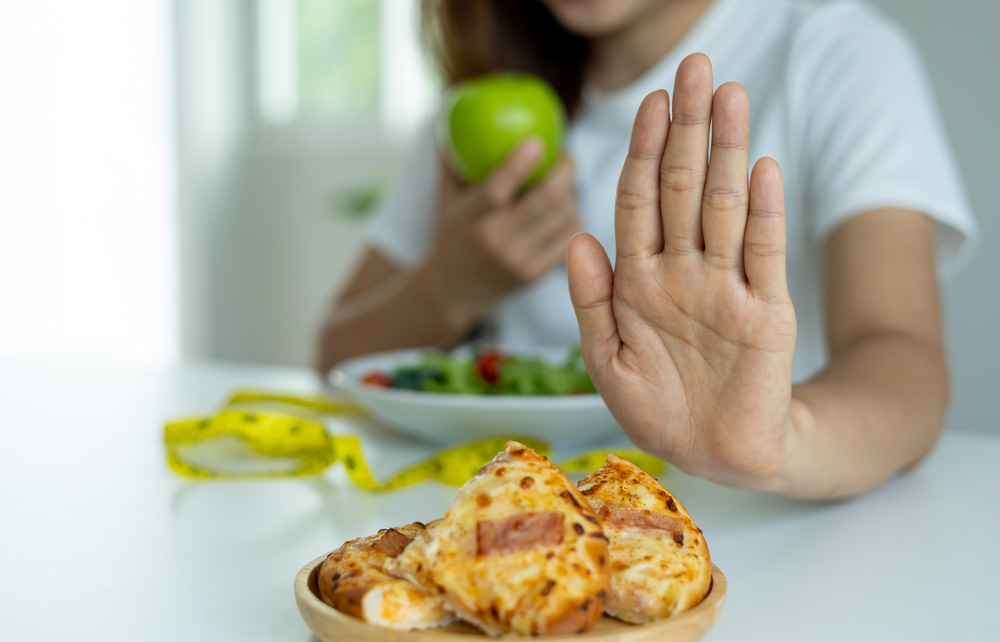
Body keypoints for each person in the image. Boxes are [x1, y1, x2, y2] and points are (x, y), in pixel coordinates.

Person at [315, 0, 977, 499]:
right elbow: (334, 357)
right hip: (504, 523)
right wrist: (448, 287)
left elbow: (906, 363)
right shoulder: (477, 101)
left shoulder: (838, 55)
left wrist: (783, 442)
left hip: (765, 538)